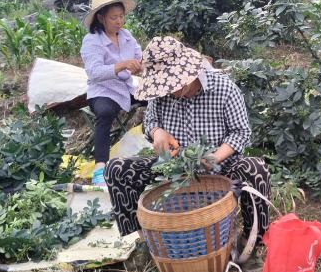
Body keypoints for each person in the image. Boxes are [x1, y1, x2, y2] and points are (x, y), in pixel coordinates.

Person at [105, 36, 271, 242]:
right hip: (175, 166)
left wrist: (215, 157)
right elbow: (150, 122)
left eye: (173, 86)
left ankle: (254, 241)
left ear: (189, 75)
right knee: (117, 170)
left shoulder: (224, 89)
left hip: (220, 166)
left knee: (256, 169)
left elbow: (241, 132)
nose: (169, 93)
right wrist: (158, 132)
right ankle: (143, 240)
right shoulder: (162, 94)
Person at [80, 0, 142, 187]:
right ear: (101, 18)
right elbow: (95, 72)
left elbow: (139, 57)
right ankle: (100, 168)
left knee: (158, 97)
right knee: (105, 113)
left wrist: (141, 64)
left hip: (126, 88)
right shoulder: (92, 41)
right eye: (113, 17)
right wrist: (122, 65)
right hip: (103, 90)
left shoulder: (127, 36)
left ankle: (165, 143)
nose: (119, 21)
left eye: (121, 16)